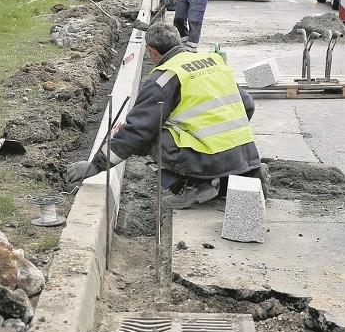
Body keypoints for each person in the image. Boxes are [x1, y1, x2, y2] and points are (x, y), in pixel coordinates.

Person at [65, 22, 264, 209]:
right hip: (244, 154)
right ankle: (247, 175)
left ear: (152, 52)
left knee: (152, 134)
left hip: (208, 160)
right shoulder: (214, 62)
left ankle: (193, 184)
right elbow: (247, 105)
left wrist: (96, 165)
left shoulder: (164, 78)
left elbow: (136, 131)